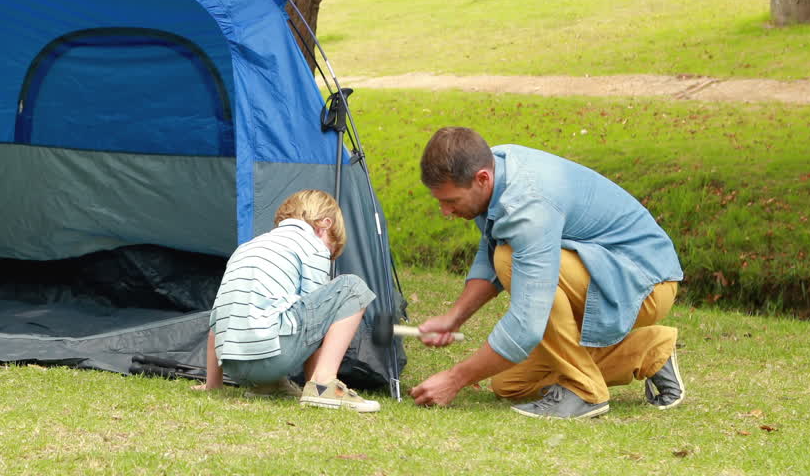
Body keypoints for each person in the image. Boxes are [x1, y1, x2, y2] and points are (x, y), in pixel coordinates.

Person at [408, 127, 685, 419]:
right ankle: (651, 351)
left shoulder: (527, 204)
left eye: (451, 201)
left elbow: (528, 322)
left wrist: (455, 379)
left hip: (645, 283)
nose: (445, 212)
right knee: (510, 384)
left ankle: (585, 392)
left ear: (482, 179)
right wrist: (454, 318)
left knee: (510, 259)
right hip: (601, 274)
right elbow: (490, 251)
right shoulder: (492, 167)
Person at [192, 189, 380, 412]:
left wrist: (214, 385)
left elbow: (219, 318)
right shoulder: (312, 245)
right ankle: (323, 386)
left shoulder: (249, 247)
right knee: (353, 287)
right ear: (325, 225)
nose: (327, 257)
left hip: (234, 365)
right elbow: (317, 321)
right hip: (272, 358)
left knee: (270, 312)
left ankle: (268, 384)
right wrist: (315, 381)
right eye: (331, 250)